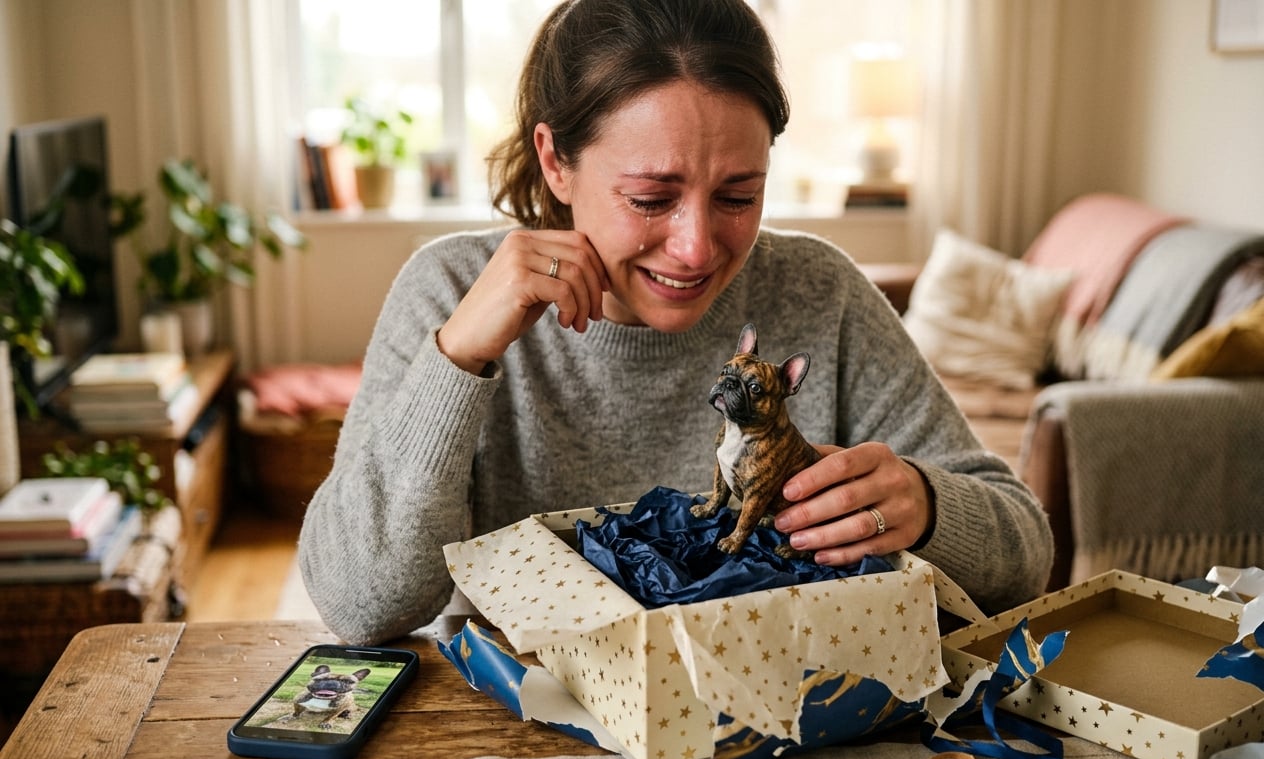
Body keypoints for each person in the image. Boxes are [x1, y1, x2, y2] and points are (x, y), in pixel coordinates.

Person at [298, 0, 1054, 645]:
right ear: (555, 160)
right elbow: (362, 606)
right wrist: (459, 360)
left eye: (737, 196)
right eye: (651, 198)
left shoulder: (820, 292)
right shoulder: (449, 292)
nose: (696, 249)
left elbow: (1025, 555)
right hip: (513, 749)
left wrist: (924, 506)